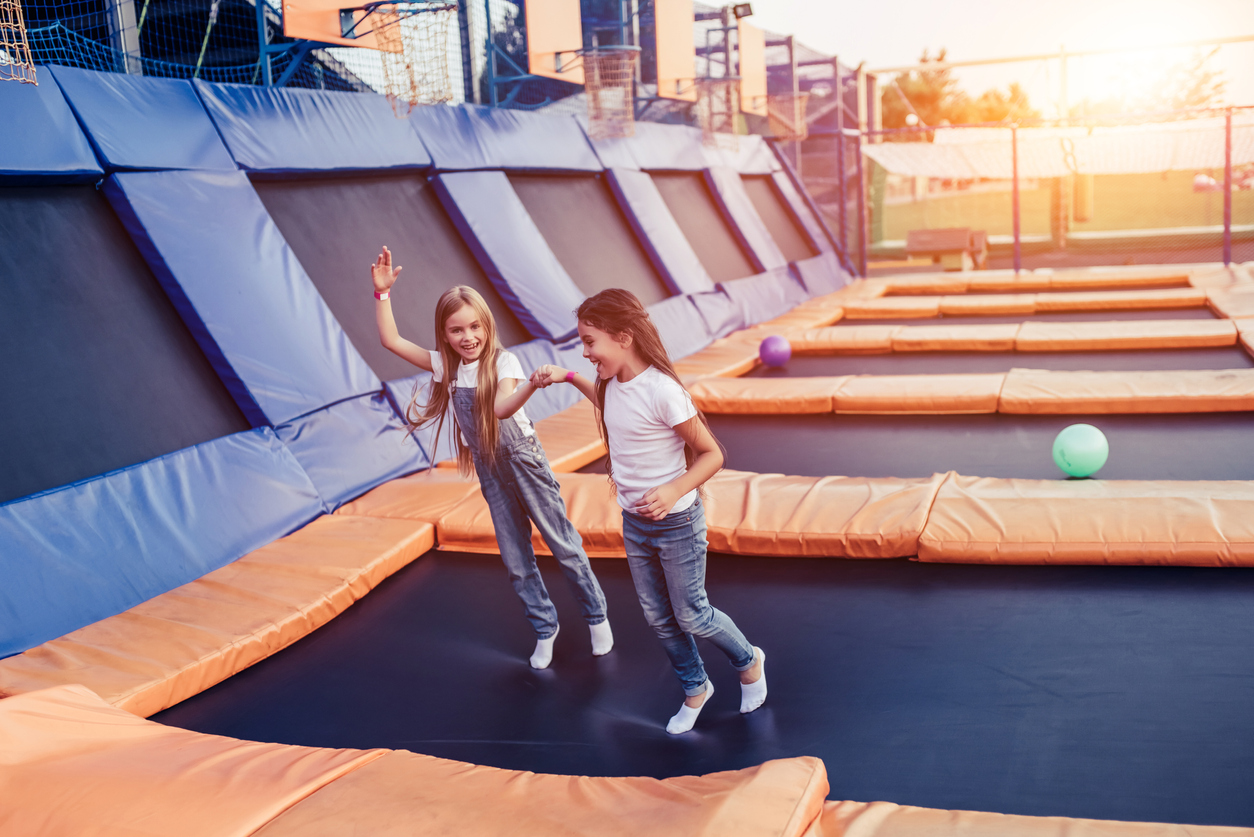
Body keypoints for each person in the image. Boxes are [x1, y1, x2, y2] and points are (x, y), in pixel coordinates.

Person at [531, 288, 765, 734]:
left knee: (692, 614)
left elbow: (711, 454)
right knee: (658, 617)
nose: (585, 352)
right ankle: (696, 687)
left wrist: (673, 487)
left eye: (589, 341)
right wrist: (566, 376)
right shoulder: (610, 384)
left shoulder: (664, 392)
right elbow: (612, 407)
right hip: (635, 524)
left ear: (623, 338)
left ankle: (749, 661)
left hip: (678, 523)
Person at [371, 246, 613, 670]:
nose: (468, 337)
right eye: (456, 330)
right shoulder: (445, 368)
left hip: (523, 460)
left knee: (561, 542)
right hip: (490, 468)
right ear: (444, 335)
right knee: (516, 559)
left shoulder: (505, 362)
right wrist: (382, 294)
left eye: (474, 327)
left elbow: (502, 405)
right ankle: (544, 627)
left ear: (487, 326)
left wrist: (529, 388)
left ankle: (596, 616)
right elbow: (390, 340)